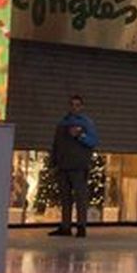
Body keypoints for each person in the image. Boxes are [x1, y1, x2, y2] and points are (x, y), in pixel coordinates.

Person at [49, 94, 99, 238]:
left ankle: (81, 227)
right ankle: (65, 226)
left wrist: (80, 136)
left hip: (79, 166)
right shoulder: (62, 123)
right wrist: (54, 162)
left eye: (77, 105)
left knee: (80, 197)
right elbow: (56, 144)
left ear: (81, 107)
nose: (74, 107)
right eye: (72, 104)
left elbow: (93, 141)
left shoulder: (87, 123)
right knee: (65, 198)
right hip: (63, 166)